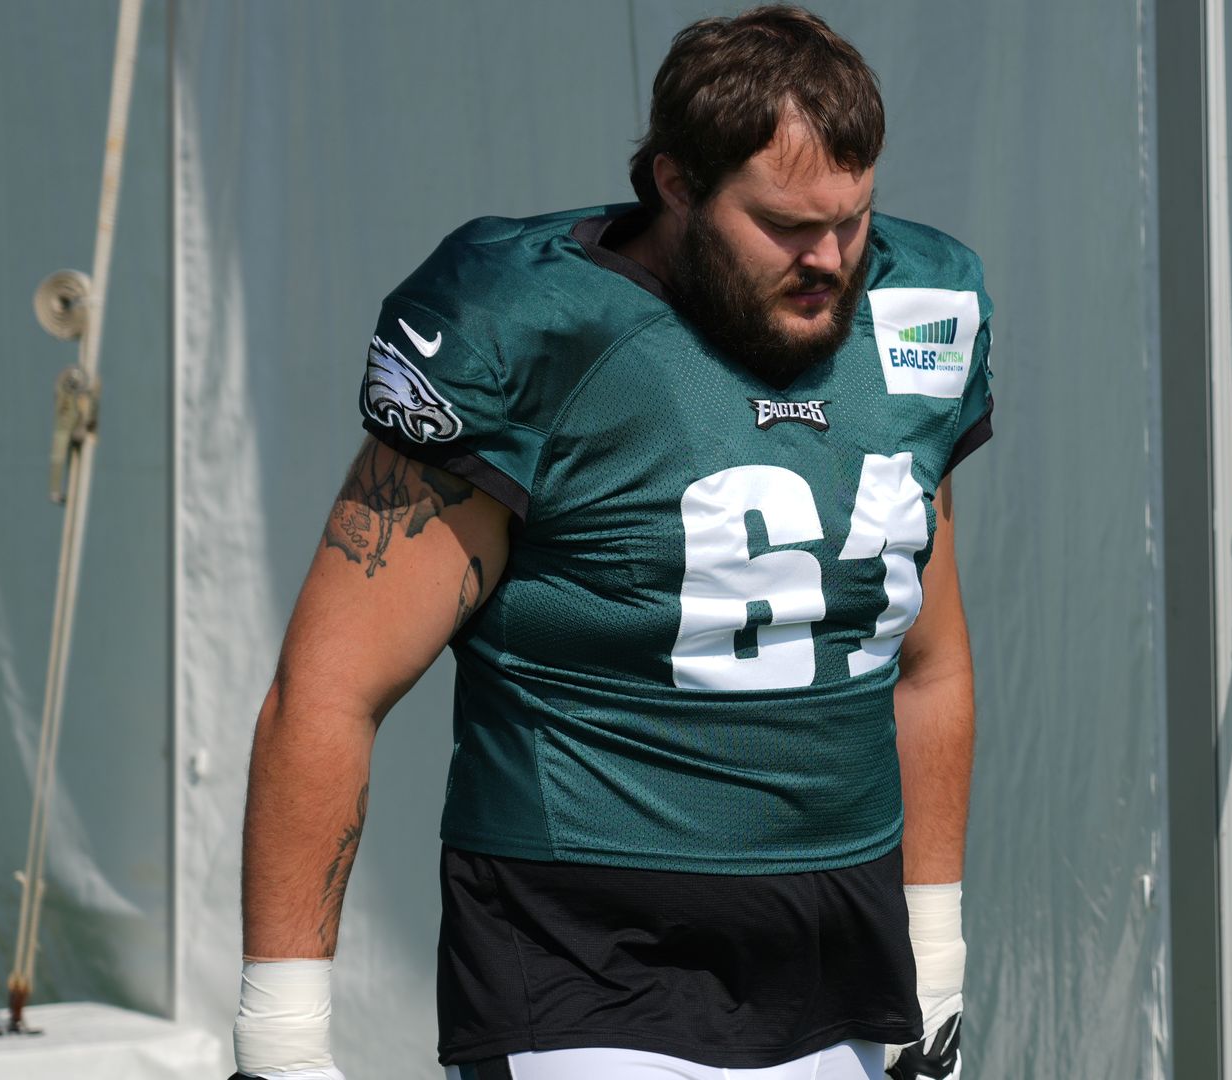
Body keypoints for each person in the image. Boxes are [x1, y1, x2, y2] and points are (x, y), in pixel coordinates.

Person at [230, 7, 993, 1080]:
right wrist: (281, 1035)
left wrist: (939, 959)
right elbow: (326, 688)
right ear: (674, 184)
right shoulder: (528, 325)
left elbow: (927, 662)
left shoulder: (923, 307)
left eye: (854, 219)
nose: (829, 260)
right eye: (784, 226)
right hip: (585, 953)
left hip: (844, 956)